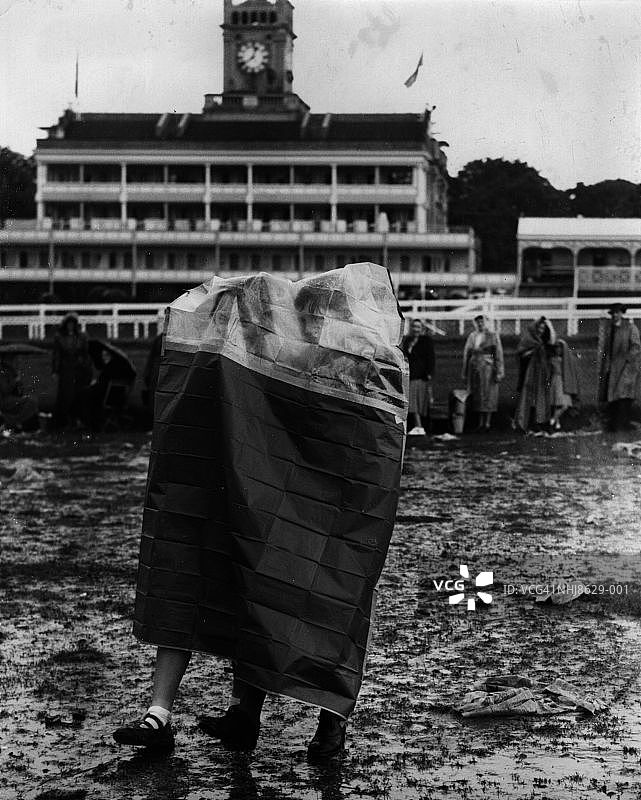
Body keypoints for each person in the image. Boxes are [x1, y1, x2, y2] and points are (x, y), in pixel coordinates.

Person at [112, 264, 407, 761]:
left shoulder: (368, 358)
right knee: (263, 589)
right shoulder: (282, 350)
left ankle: (326, 727)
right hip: (290, 506)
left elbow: (376, 450)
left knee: (330, 600)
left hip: (335, 512)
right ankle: (231, 716)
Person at [598, 303, 641, 431]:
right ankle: (615, 423)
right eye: (613, 313)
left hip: (627, 367)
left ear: (622, 313)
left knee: (624, 395)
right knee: (614, 395)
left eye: (617, 312)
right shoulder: (610, 329)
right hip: (613, 366)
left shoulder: (630, 328)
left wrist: (627, 359)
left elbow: (636, 346)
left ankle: (623, 424)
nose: (615, 315)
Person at [461, 315, 504, 432]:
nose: (480, 324)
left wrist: (499, 371)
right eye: (478, 322)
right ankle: (480, 423)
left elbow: (498, 355)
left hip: (488, 369)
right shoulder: (472, 336)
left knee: (489, 395)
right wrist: (464, 372)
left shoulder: (493, 336)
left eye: (482, 322)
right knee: (478, 395)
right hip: (475, 368)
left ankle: (487, 423)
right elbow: (467, 354)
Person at [82, 343, 137, 431]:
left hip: (108, 398)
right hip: (116, 398)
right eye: (103, 355)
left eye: (106, 355)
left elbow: (102, 385)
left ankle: (89, 424)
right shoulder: (115, 368)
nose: (104, 357)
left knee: (85, 396)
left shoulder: (109, 369)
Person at [514, 316, 555, 431]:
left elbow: (552, 343)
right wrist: (533, 351)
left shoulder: (544, 341)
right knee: (528, 397)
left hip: (542, 373)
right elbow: (521, 354)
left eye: (543, 328)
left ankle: (540, 421)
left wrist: (549, 325)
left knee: (541, 397)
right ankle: (525, 422)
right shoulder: (528, 340)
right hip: (530, 373)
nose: (540, 331)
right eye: (539, 328)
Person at [52, 312, 91, 429]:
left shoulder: (81, 337)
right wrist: (55, 371)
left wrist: (86, 366)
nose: (71, 326)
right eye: (69, 324)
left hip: (79, 370)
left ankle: (78, 419)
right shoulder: (59, 337)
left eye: (72, 324)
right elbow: (56, 355)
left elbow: (86, 354)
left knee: (79, 394)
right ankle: (64, 420)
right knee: (65, 396)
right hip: (66, 370)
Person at [401, 318, 434, 435]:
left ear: (422, 329)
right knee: (413, 401)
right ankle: (418, 426)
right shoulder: (407, 341)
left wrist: (429, 373)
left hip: (420, 375)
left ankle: (419, 426)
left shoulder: (426, 341)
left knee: (418, 402)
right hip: (409, 374)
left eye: (418, 327)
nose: (416, 329)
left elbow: (431, 358)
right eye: (414, 327)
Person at [0, 355, 40, 432]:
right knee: (31, 402)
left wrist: (19, 384)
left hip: (10, 397)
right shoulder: (2, 371)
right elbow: (4, 389)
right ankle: (14, 421)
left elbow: (19, 392)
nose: (16, 361)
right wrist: (14, 382)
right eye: (13, 359)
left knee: (31, 401)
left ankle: (28, 426)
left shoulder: (11, 370)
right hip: (4, 400)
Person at [548, 340, 579, 430]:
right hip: (555, 381)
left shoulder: (565, 360)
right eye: (556, 348)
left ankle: (553, 419)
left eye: (559, 348)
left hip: (563, 382)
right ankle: (556, 423)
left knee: (565, 405)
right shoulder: (552, 360)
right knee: (558, 404)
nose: (558, 350)